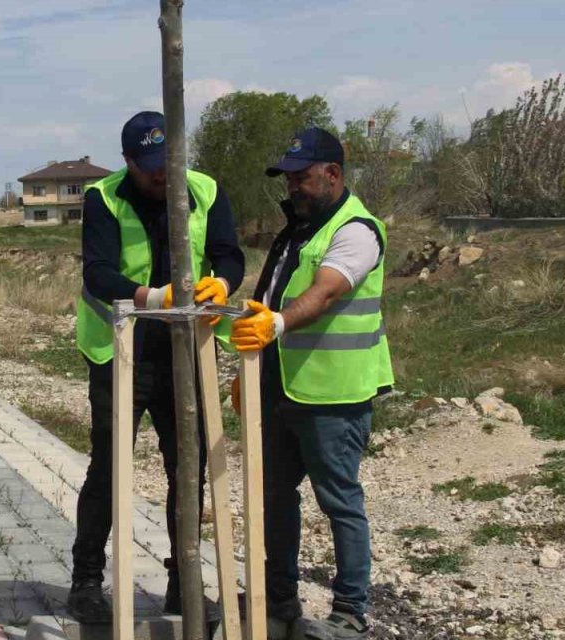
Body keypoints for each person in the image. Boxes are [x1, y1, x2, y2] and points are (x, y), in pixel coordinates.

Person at [68, 110, 246, 624]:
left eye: (168, 161)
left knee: (186, 467)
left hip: (186, 349)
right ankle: (85, 582)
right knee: (109, 464)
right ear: (128, 162)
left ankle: (182, 584)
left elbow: (228, 253)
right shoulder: (103, 197)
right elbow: (98, 273)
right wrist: (151, 297)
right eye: (149, 167)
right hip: (122, 347)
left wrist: (224, 283)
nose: (162, 175)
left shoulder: (206, 191)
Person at [230, 127, 395, 640]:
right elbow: (267, 299)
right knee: (276, 495)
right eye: (289, 179)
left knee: (339, 499)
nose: (293, 187)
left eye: (302, 177)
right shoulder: (295, 231)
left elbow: (324, 294)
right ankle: (280, 600)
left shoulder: (356, 230)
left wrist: (277, 325)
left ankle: (350, 610)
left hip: (336, 394)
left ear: (333, 174)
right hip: (282, 386)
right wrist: (245, 370)